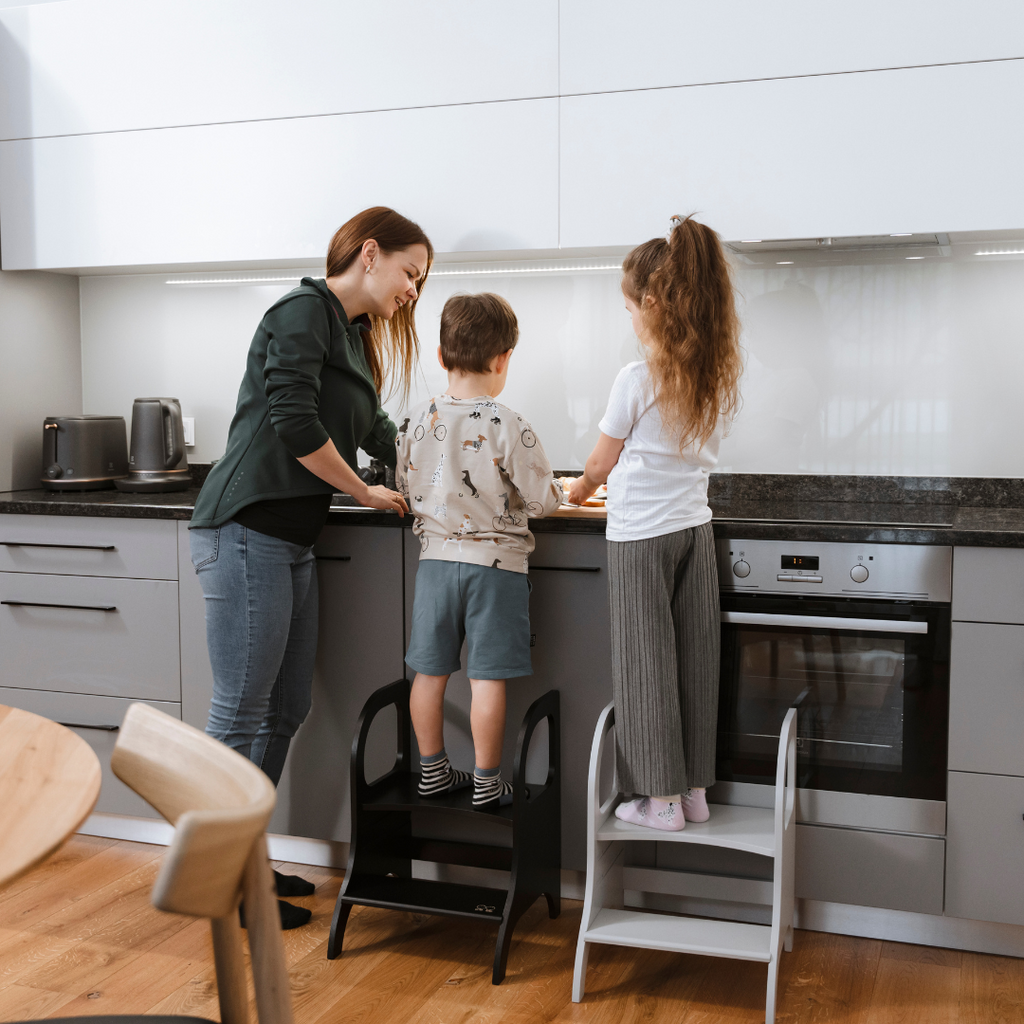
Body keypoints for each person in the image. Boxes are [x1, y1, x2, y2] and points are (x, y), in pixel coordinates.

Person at [189, 207, 430, 924]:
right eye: (410, 273)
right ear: (370, 253)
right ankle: (218, 878)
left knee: (286, 707)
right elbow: (296, 422)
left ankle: (245, 861)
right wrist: (361, 489)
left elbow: (377, 429)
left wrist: (429, 467)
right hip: (244, 529)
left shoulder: (351, 337)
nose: (413, 291)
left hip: (290, 541)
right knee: (239, 713)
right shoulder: (302, 312)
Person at [568, 216, 742, 832]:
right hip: (696, 531)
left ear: (650, 303)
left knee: (646, 664)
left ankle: (659, 801)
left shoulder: (636, 378)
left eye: (628, 306)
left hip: (641, 535)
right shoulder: (712, 375)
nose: (629, 319)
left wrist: (578, 490)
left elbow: (600, 462)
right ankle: (694, 792)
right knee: (696, 662)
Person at [397, 293, 563, 809]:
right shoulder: (508, 423)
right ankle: (488, 784)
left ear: (442, 357)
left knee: (430, 673)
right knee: (485, 679)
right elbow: (543, 500)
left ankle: (432, 772)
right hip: (495, 572)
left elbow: (407, 485)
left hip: (435, 567)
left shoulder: (414, 421)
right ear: (502, 360)